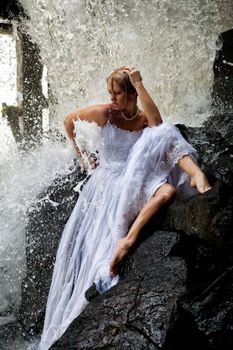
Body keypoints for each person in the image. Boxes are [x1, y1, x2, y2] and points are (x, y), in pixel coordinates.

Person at [38, 66, 211, 349]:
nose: (112, 98)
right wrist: (82, 158)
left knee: (166, 174)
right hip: (109, 181)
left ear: (131, 93)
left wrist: (140, 84)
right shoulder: (105, 113)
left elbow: (158, 123)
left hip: (133, 176)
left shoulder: (142, 117)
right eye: (110, 92)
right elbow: (68, 120)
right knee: (165, 182)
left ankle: (191, 177)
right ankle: (192, 176)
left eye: (117, 92)